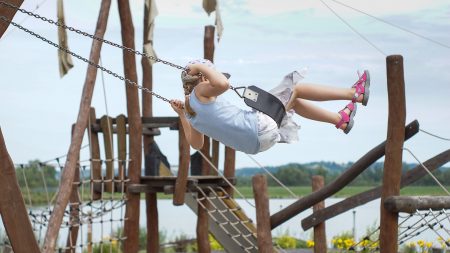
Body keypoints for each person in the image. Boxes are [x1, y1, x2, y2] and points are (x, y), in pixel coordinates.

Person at [170, 59, 370, 155]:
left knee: (292, 102)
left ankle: (340, 120)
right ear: (202, 78)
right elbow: (222, 84)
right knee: (294, 90)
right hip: (258, 127)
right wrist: (201, 67)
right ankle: (355, 94)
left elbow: (196, 145)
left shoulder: (191, 114)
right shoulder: (200, 91)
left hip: (257, 145)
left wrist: (181, 115)